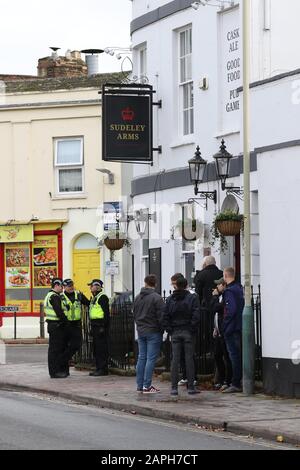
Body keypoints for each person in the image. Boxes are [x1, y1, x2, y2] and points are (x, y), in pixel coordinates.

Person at [163, 276, 200, 396]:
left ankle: (174, 388)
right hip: (188, 331)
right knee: (189, 359)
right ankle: (191, 387)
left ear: (176, 285)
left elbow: (165, 316)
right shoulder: (192, 298)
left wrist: (170, 330)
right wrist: (192, 328)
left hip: (175, 332)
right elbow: (196, 314)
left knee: (175, 360)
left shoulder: (170, 299)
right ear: (186, 285)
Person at [133, 274, 164, 394]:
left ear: (145, 283)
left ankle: (140, 385)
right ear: (155, 284)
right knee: (151, 359)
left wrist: (139, 325)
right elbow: (161, 316)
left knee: (141, 357)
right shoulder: (157, 298)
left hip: (141, 330)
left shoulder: (137, 297)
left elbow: (134, 313)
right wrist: (162, 330)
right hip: (153, 331)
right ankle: (147, 385)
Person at [170, 273, 198, 387]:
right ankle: (187, 380)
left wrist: (170, 329)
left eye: (173, 283)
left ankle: (186, 381)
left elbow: (166, 314)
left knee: (186, 356)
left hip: (182, 330)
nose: (172, 286)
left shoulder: (191, 295)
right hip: (184, 330)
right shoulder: (174, 297)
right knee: (182, 357)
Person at [222, 267, 245, 393]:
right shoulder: (239, 288)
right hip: (238, 326)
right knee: (236, 355)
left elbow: (231, 310)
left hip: (231, 327)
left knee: (233, 356)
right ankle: (235, 381)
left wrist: (224, 325)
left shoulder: (229, 291)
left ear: (225, 275)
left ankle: (235, 383)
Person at [60, 279, 90, 376]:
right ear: (64, 287)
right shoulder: (60, 297)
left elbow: (88, 304)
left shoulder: (78, 295)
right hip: (65, 324)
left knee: (77, 344)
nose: (71, 287)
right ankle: (64, 370)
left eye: (72, 285)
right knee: (65, 346)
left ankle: (65, 358)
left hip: (76, 324)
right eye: (69, 286)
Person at [44, 278, 69, 379]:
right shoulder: (54, 296)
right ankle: (55, 372)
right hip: (56, 325)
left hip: (53, 325)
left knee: (54, 349)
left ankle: (55, 371)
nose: (62, 288)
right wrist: (65, 321)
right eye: (61, 286)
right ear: (56, 285)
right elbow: (59, 312)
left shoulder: (50, 295)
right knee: (55, 350)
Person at [210, 278, 232, 391]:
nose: (216, 287)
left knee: (227, 357)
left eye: (218, 285)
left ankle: (227, 381)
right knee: (217, 355)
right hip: (218, 332)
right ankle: (221, 379)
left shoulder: (225, 297)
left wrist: (214, 297)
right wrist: (215, 327)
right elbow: (214, 312)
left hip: (224, 331)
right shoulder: (220, 296)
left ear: (223, 285)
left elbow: (216, 308)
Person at [88, 279, 110, 377]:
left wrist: (103, 327)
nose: (90, 288)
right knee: (96, 348)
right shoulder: (95, 298)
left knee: (101, 349)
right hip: (95, 325)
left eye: (91, 286)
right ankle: (98, 368)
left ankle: (102, 369)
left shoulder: (102, 297)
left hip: (100, 325)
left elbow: (106, 314)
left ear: (96, 287)